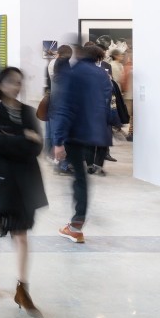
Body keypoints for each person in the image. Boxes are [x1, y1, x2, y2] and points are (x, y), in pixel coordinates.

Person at [0, 67, 47, 318]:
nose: (16, 86)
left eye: (19, 82)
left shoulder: (28, 112)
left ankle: (22, 289)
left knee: (21, 236)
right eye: (11, 82)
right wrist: (23, 139)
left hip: (25, 183)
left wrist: (15, 139)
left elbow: (38, 148)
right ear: (0, 84)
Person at [52, 44, 112, 244]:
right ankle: (76, 224)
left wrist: (58, 140)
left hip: (75, 133)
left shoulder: (75, 73)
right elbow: (103, 102)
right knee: (81, 177)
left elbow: (66, 108)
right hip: (93, 132)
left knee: (79, 178)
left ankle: (76, 226)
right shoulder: (102, 74)